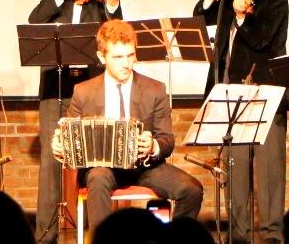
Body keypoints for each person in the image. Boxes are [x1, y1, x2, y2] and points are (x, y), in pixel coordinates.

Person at [52, 20, 203, 229]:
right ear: (101, 57)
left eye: (130, 55)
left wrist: (153, 146)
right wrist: (61, 148)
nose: (126, 63)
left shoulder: (155, 89)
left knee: (192, 190)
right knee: (97, 176)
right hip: (103, 169)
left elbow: (167, 141)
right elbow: (68, 138)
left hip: (145, 167)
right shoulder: (83, 92)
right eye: (118, 57)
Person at [193, 0, 288, 244]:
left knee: (270, 167)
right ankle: (238, 236)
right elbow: (199, 18)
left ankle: (273, 235)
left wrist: (239, 15)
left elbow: (261, 39)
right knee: (235, 167)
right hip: (229, 90)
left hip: (265, 89)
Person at [29, 0, 124, 244]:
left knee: (96, 156)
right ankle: (45, 237)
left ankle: (100, 237)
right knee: (49, 161)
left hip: (89, 86)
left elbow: (116, 33)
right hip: (54, 86)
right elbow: (35, 21)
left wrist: (111, 2)